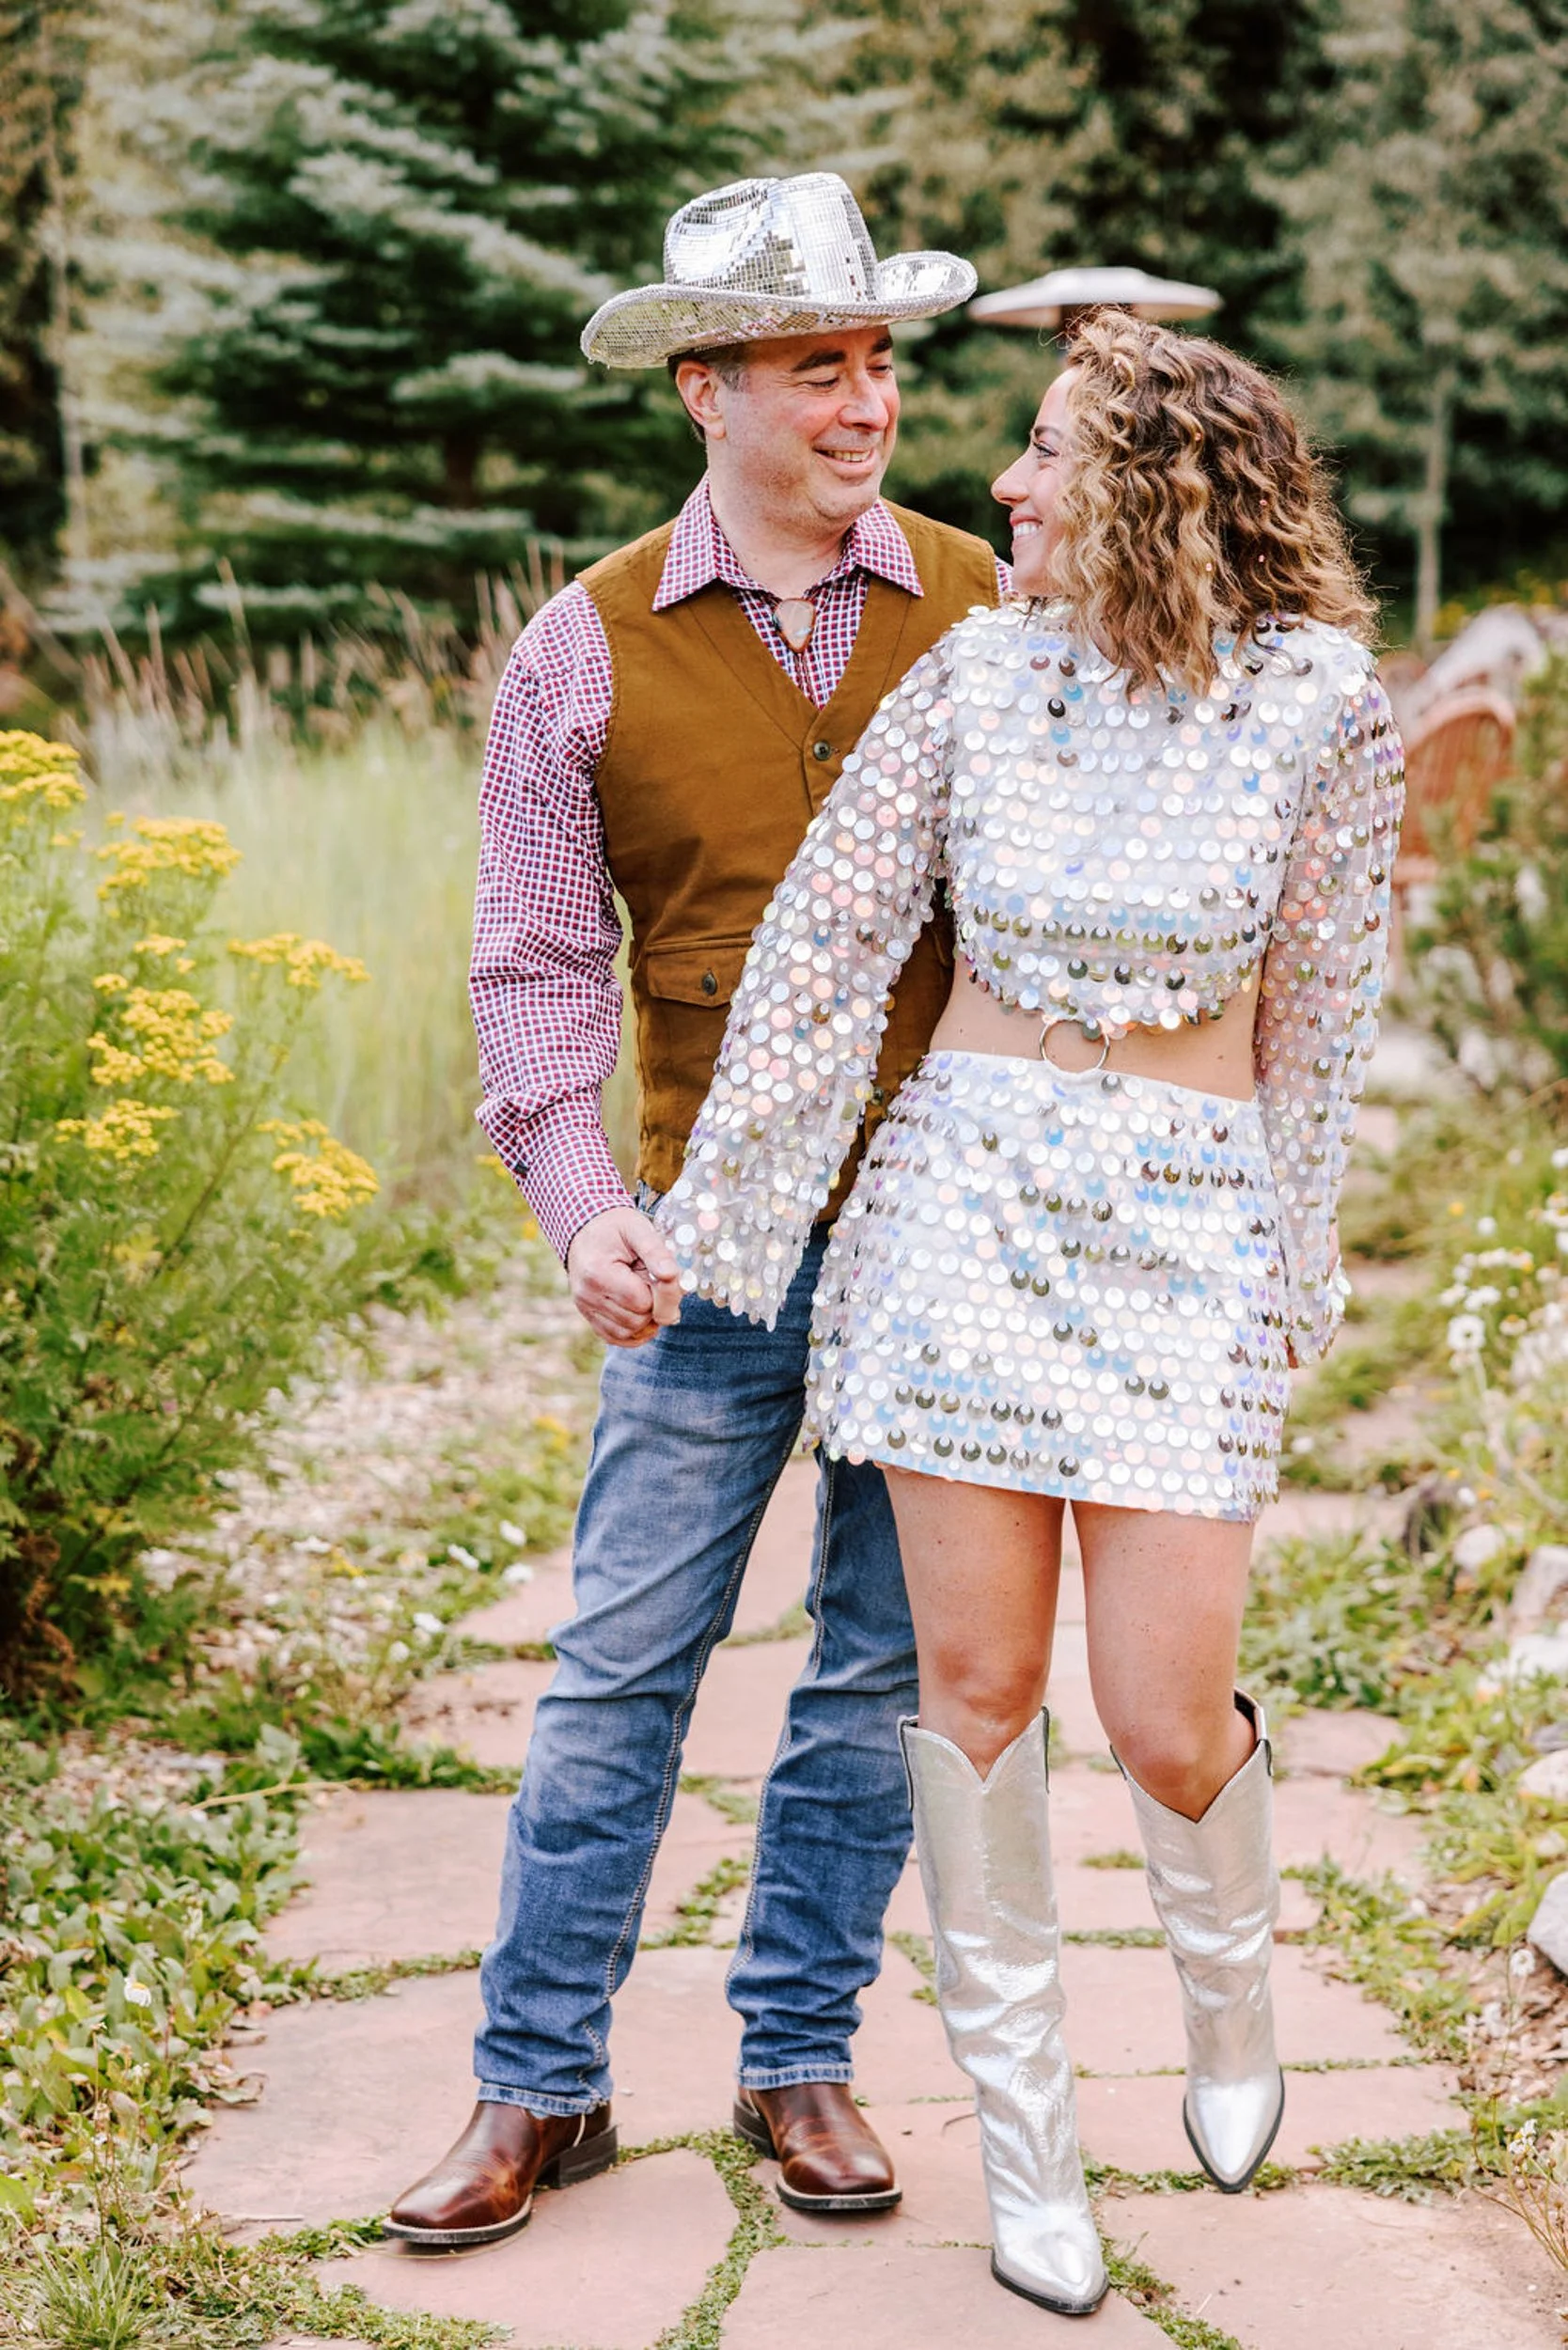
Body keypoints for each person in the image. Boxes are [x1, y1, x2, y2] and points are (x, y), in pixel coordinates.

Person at [659, 314, 1404, 2316]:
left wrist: (1289, 1266)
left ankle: (1232, 2004)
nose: (1006, 482)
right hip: (960, 1227)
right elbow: (824, 948)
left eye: (1050, 451)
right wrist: (708, 1217)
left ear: (1157, 484)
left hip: (1183, 1238)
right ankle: (1031, 2151)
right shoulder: (977, 675)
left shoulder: (1324, 704)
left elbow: (1320, 1029)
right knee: (972, 1704)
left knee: (1164, 1721)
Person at [384, 172, 1009, 2251]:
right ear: (706, 388)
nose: (867, 402)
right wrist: (581, 1210)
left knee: (879, 1666)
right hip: (709, 1239)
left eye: (881, 361)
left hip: (949, 1235)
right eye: (820, 365)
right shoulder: (580, 647)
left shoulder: (990, 604)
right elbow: (539, 968)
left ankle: (798, 2051)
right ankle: (536, 2080)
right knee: (622, 1661)